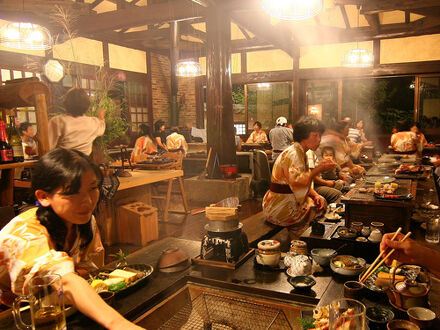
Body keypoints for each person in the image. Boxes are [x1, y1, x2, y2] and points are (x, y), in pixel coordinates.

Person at [0, 149, 142, 329]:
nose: (87, 201)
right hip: (11, 314)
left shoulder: (85, 222)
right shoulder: (25, 232)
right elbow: (64, 279)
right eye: (72, 192)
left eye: (92, 188)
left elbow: (90, 272)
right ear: (44, 197)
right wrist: (120, 325)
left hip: (52, 308)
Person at [263, 116, 337, 239]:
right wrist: (319, 169)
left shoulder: (301, 152)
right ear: (303, 135)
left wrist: (315, 195)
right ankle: (298, 242)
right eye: (315, 135)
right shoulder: (294, 154)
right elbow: (297, 182)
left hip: (285, 199)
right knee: (317, 209)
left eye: (320, 136)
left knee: (320, 201)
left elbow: (302, 183)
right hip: (278, 205)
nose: (319, 140)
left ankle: (300, 238)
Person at [48, 87, 106, 156]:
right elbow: (101, 128)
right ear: (87, 105)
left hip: (63, 165)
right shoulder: (93, 122)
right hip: (84, 164)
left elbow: (47, 147)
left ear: (66, 103)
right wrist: (101, 116)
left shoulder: (58, 121)